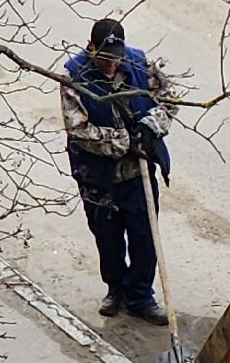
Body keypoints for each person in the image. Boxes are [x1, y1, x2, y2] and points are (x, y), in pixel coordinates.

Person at [61, 17, 175, 324]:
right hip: (98, 176)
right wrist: (125, 141)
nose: (111, 65)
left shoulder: (138, 64)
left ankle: (140, 296)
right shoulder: (74, 76)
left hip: (137, 174)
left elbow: (169, 99)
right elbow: (79, 130)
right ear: (91, 47)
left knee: (144, 236)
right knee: (107, 237)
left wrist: (151, 128)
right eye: (105, 58)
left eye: (116, 58)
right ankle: (115, 289)